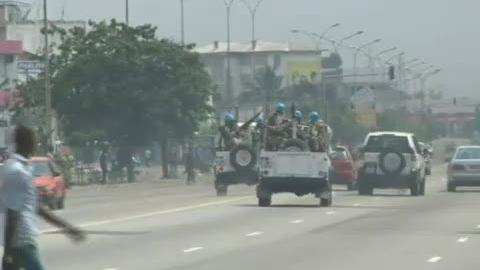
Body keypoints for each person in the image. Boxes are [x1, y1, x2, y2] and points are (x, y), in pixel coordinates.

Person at [2, 125, 85, 270]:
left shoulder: (22, 168)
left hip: (22, 240)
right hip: (21, 241)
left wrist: (67, 227)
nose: (36, 143)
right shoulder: (16, 171)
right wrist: (8, 252)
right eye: (33, 140)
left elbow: (38, 208)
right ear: (24, 143)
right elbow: (12, 212)